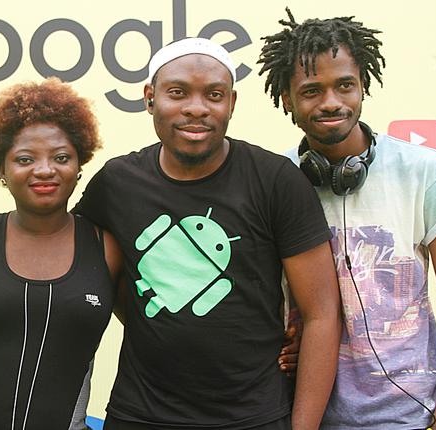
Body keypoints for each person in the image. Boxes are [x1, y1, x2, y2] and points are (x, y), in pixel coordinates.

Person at [74, 37, 341, 430]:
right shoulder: (117, 183)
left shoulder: (276, 181)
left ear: (231, 103)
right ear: (150, 98)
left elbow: (321, 314)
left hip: (255, 416)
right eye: (177, 93)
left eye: (213, 95)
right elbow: (78, 265)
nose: (196, 109)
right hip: (140, 415)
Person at [258, 9, 436, 430]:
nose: (331, 103)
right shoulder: (275, 181)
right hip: (303, 414)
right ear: (286, 99)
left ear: (363, 86)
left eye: (345, 85)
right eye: (311, 91)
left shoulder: (425, 172)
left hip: (410, 415)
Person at [0, 78, 122, 429]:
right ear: (1, 170)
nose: (45, 169)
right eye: (25, 159)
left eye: (61, 157)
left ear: (80, 164)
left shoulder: (107, 250)